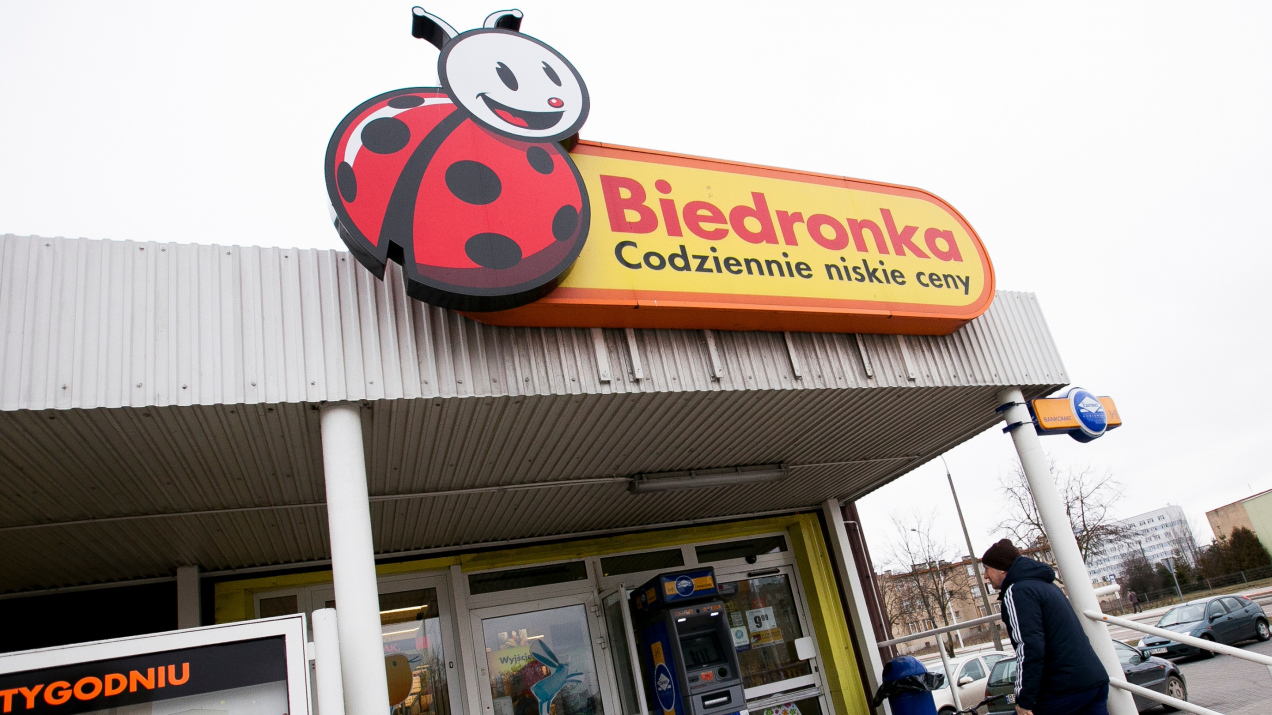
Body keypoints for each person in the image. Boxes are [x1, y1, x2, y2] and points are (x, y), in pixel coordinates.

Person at [982, 539, 1110, 715]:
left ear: (1002, 568)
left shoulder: (1017, 591)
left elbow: (1029, 647)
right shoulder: (1047, 585)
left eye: (987, 569)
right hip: (1095, 680)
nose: (985, 576)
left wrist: (1024, 700)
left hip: (1065, 688)